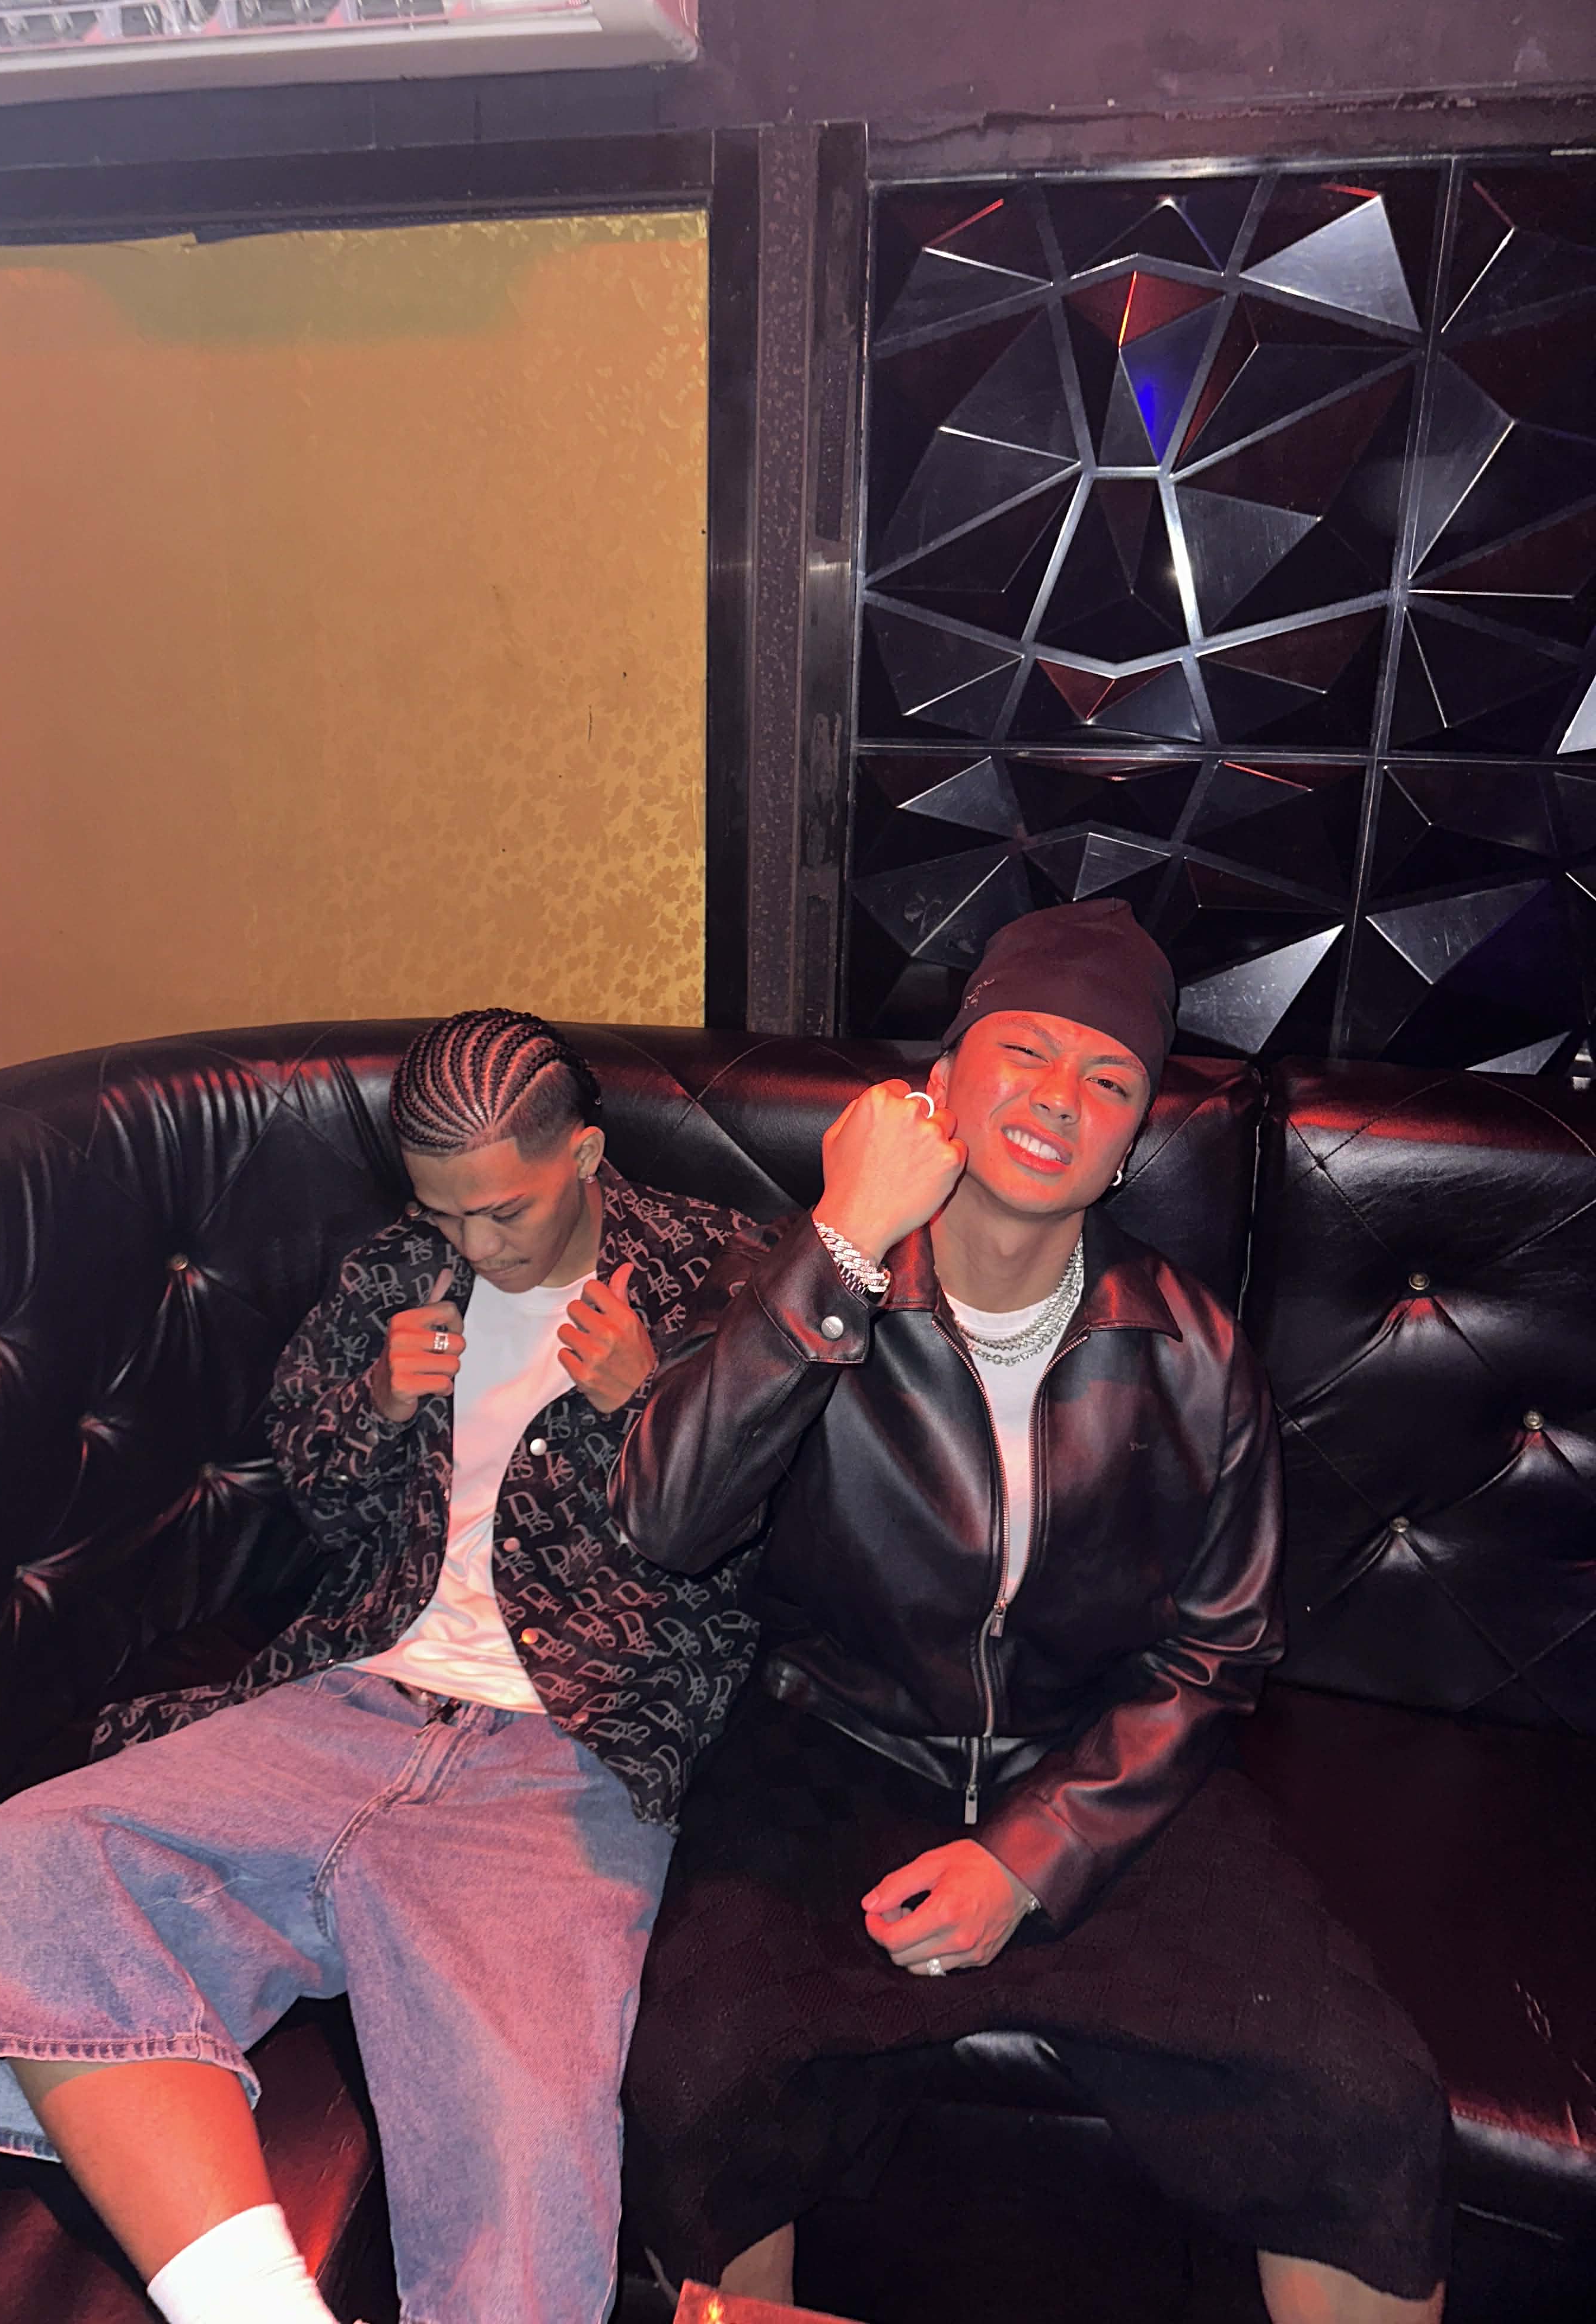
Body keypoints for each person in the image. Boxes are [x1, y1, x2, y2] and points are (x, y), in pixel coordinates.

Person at [0, 1008, 762, 2324]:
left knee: (524, 2137)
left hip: (567, 1752)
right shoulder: (402, 1270)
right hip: (348, 1694)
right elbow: (321, 1494)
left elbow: (762, 1556)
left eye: (502, 1212)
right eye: (444, 1213)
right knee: (24, 1867)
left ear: (584, 1152)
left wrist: (659, 1410)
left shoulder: (722, 1281)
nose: (474, 1247)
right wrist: (380, 1406)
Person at [614, 900, 1449, 2324]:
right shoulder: (799, 1285)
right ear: (940, 1083)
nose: (1062, 1097)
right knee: (699, 2084)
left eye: (1109, 1078)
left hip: (1096, 1775)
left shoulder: (1193, 1351)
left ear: (1129, 1145)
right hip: (831, 1759)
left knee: (1363, 2100)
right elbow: (664, 1524)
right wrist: (843, 1242)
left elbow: (1215, 1653)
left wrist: (1031, 1854)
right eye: (1025, 1051)